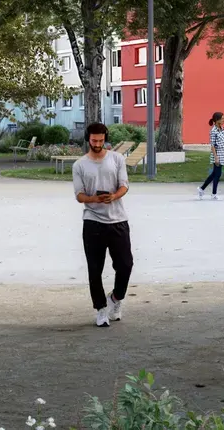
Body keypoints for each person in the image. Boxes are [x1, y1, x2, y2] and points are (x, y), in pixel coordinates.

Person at [72, 122, 132, 327]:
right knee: (94, 269)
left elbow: (124, 185)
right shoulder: (79, 165)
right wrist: (94, 200)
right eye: (94, 140)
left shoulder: (116, 159)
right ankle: (100, 309)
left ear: (105, 139)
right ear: (88, 139)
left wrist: (114, 196)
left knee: (125, 265)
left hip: (118, 220)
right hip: (93, 222)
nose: (97, 144)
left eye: (100, 140)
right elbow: (79, 195)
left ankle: (115, 298)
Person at [197, 112, 224, 200]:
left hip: (223, 153)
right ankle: (214, 194)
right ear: (217, 120)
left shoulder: (222, 128)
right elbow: (213, 146)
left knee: (214, 174)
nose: (223, 120)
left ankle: (201, 189)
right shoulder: (213, 131)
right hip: (217, 154)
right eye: (222, 118)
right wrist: (216, 158)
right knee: (217, 174)